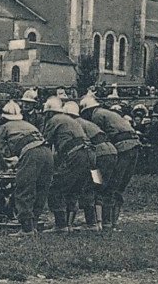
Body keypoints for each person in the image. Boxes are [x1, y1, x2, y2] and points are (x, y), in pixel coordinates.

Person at [0, 100, 53, 236]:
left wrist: (3, 166)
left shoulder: (5, 127)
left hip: (32, 154)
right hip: (47, 152)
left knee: (24, 189)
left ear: (4, 117)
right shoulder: (28, 125)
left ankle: (26, 229)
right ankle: (34, 224)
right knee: (40, 189)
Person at [79, 93, 140, 228]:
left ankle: (104, 221)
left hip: (119, 149)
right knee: (118, 186)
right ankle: (111, 220)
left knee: (107, 185)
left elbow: (98, 137)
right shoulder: (107, 113)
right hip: (133, 146)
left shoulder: (96, 116)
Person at [41, 96, 93, 234]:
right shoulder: (69, 120)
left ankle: (61, 225)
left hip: (75, 154)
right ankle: (72, 224)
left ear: (49, 112)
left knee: (55, 188)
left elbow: (45, 143)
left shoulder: (54, 120)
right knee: (74, 189)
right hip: (88, 153)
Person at [66, 100, 115, 231]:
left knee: (88, 185)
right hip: (110, 152)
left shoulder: (73, 124)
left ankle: (91, 223)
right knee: (99, 185)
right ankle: (103, 222)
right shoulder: (86, 122)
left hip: (97, 155)